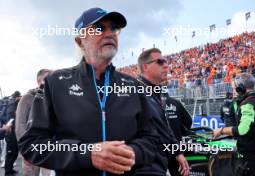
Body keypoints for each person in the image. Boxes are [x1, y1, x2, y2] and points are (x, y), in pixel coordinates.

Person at [18, 7, 158, 176]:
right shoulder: (54, 83)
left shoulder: (133, 86)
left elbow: (153, 140)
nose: (109, 33)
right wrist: (87, 153)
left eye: (114, 28)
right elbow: (32, 144)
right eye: (99, 28)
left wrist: (133, 152)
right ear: (80, 41)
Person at [136, 48, 190, 176]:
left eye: (166, 61)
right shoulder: (134, 91)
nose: (166, 65)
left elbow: (165, 128)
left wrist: (178, 152)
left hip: (159, 165)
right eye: (160, 62)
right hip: (144, 168)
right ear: (146, 66)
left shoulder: (155, 92)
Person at [213, 73, 255, 176]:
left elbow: (243, 130)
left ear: (240, 88)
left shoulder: (248, 104)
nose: (234, 91)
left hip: (252, 159)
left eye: (234, 88)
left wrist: (221, 131)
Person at [16, 69, 52, 176]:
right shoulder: (27, 98)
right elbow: (20, 127)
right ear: (39, 81)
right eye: (48, 79)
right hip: (32, 149)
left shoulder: (52, 98)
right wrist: (26, 153)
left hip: (50, 150)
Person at [5, 91, 21, 176]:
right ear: (17, 97)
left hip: (14, 133)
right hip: (10, 134)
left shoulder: (15, 105)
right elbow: (11, 118)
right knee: (10, 153)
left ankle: (11, 169)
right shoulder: (11, 106)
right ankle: (8, 172)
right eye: (19, 97)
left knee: (15, 152)